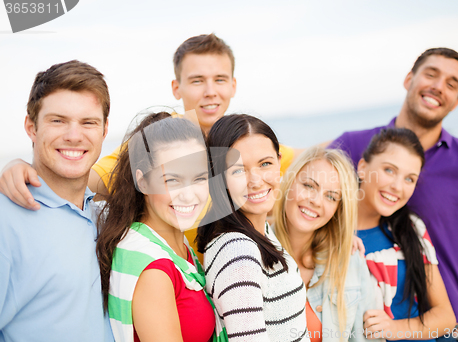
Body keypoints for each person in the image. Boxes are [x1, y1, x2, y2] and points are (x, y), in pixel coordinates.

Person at [0, 33, 295, 260]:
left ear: (233, 85)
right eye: (197, 80)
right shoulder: (160, 137)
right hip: (163, 277)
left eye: (219, 79)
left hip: (205, 281)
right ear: (176, 88)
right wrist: (26, 169)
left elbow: (307, 163)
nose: (210, 92)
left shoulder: (246, 142)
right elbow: (89, 178)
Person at [327, 48, 458, 338]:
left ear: (456, 102)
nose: (438, 86)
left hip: (444, 328)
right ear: (409, 79)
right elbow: (303, 194)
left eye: (451, 83)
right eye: (431, 74)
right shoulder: (353, 145)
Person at [0, 60, 114, 341]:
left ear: (104, 130)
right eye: (58, 120)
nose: (74, 136)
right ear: (31, 127)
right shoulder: (6, 220)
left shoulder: (105, 216)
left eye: (88, 122)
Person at [96, 111, 226, 342]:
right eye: (172, 180)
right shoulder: (154, 268)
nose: (188, 195)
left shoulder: (169, 241)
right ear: (143, 181)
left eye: (198, 178)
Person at [196, 114, 310, 342]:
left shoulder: (260, 231)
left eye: (265, 163)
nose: (256, 181)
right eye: (238, 170)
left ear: (279, 162)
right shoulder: (238, 251)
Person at [356, 128, 455, 340]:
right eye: (389, 170)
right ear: (363, 167)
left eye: (410, 179)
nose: (397, 187)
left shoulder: (411, 228)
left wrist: (395, 328)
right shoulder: (327, 225)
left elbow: (445, 316)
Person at [273, 146, 380, 342]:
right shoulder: (251, 250)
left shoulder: (350, 260)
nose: (316, 201)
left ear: (337, 210)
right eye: (309, 186)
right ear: (289, 183)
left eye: (330, 196)